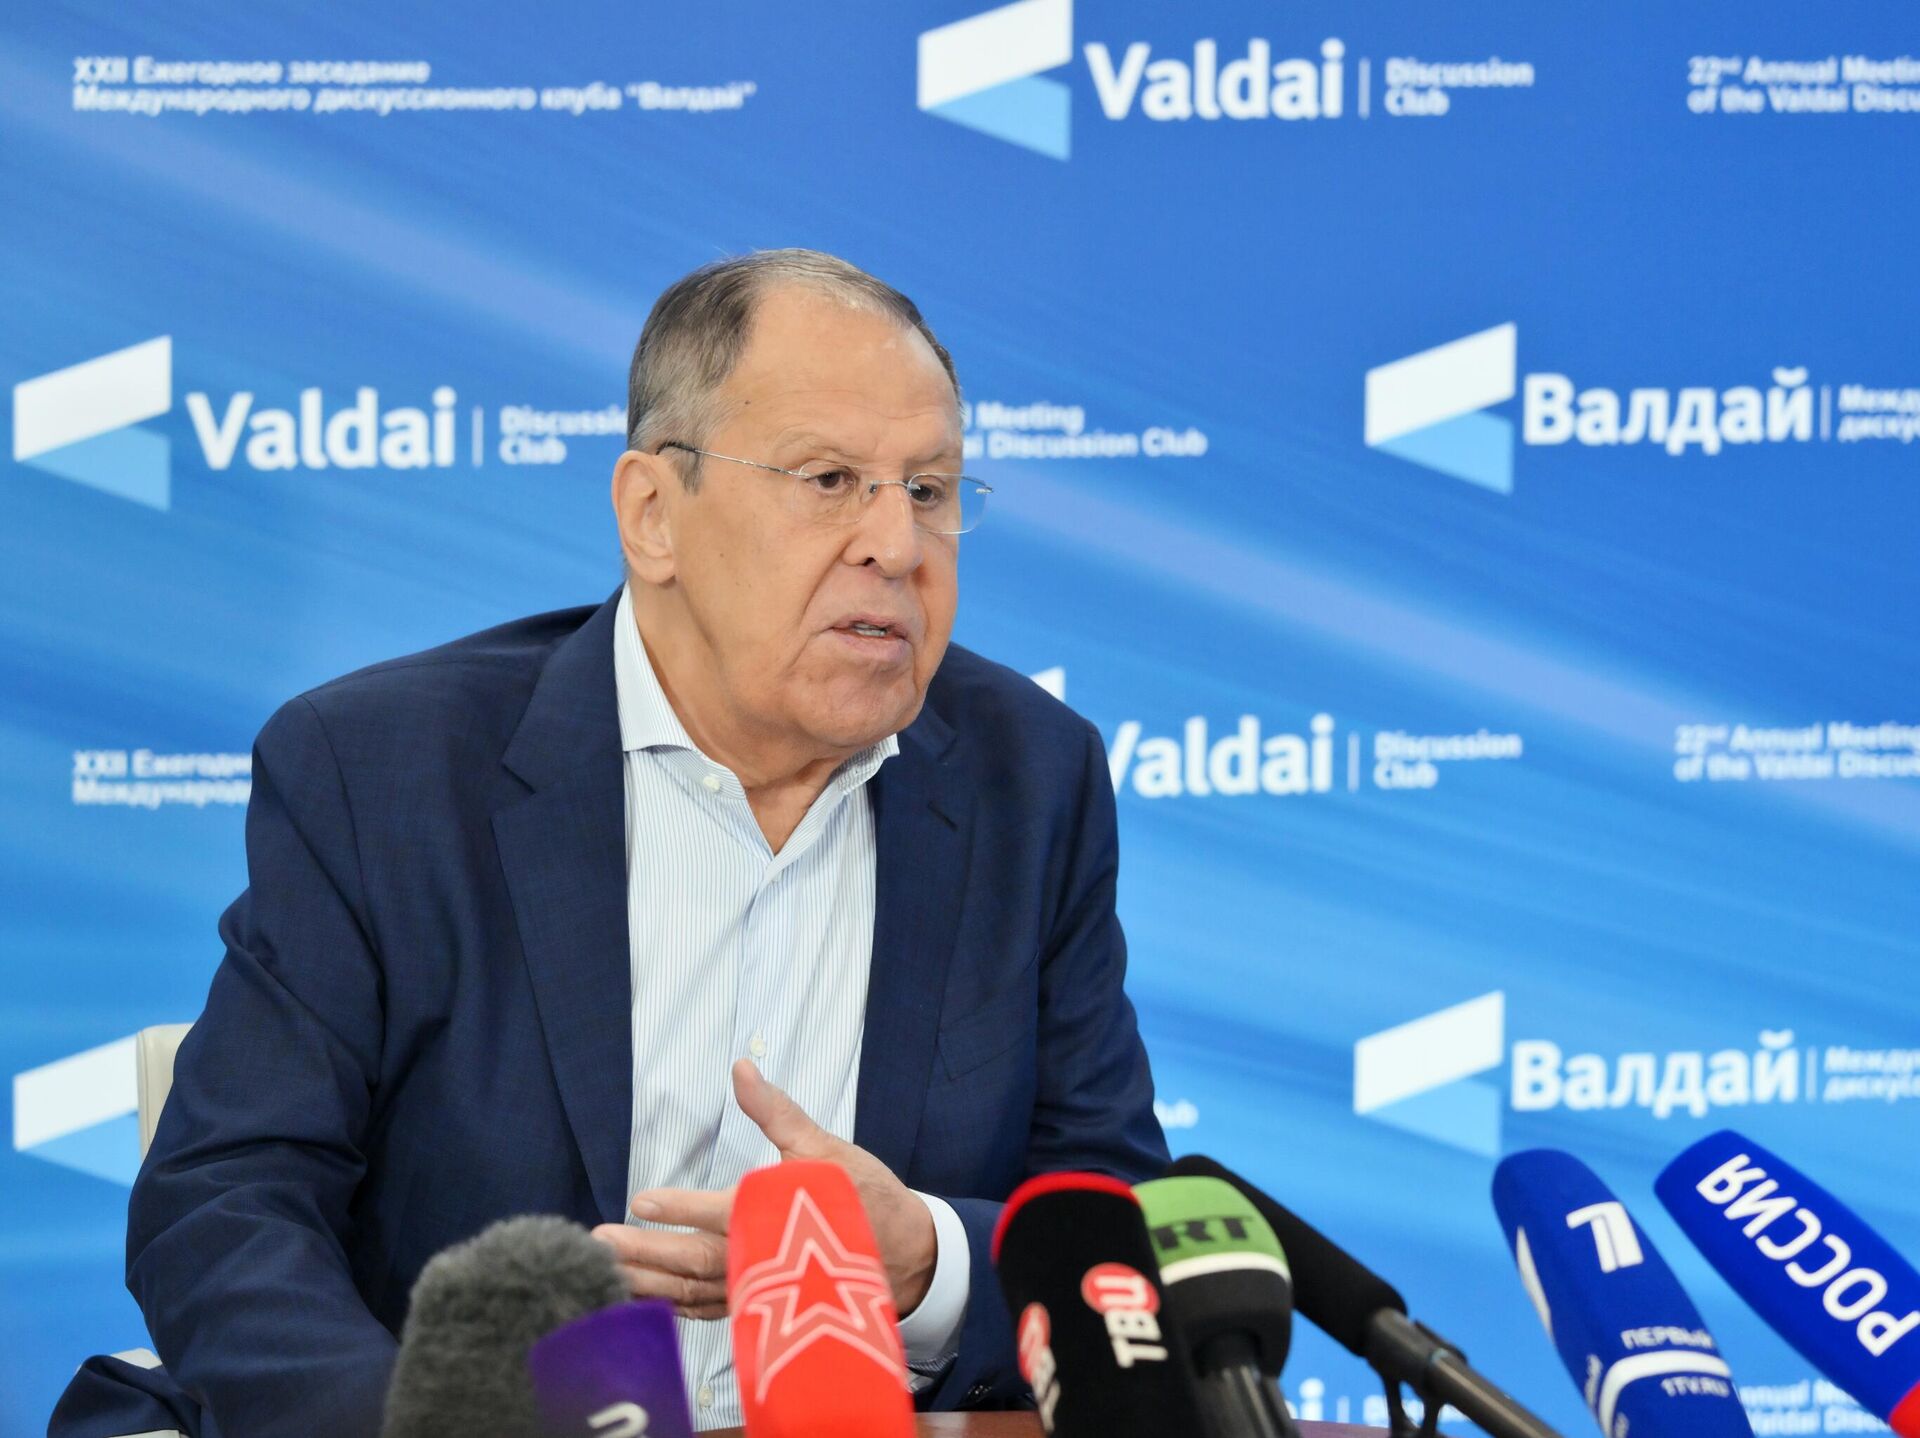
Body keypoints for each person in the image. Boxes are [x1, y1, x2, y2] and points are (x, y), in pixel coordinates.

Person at [116, 249, 1167, 1435]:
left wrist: (925, 1259)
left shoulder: (1032, 779)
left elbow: (1112, 1214)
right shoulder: (384, 771)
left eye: (929, 489)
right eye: (830, 479)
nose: (898, 543)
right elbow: (227, 1199)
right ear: (653, 515)